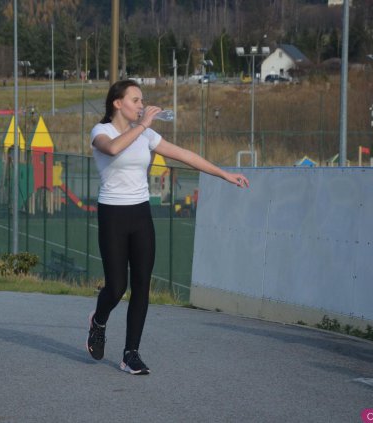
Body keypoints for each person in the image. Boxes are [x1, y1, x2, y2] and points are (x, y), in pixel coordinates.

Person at [86, 80, 250, 375]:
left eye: (142, 100)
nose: (141, 105)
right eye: (135, 100)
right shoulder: (102, 132)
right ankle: (98, 321)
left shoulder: (145, 134)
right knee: (116, 287)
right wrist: (143, 124)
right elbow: (111, 150)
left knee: (141, 286)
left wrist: (223, 173)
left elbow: (185, 155)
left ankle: (130, 354)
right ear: (117, 103)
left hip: (140, 214)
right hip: (112, 215)